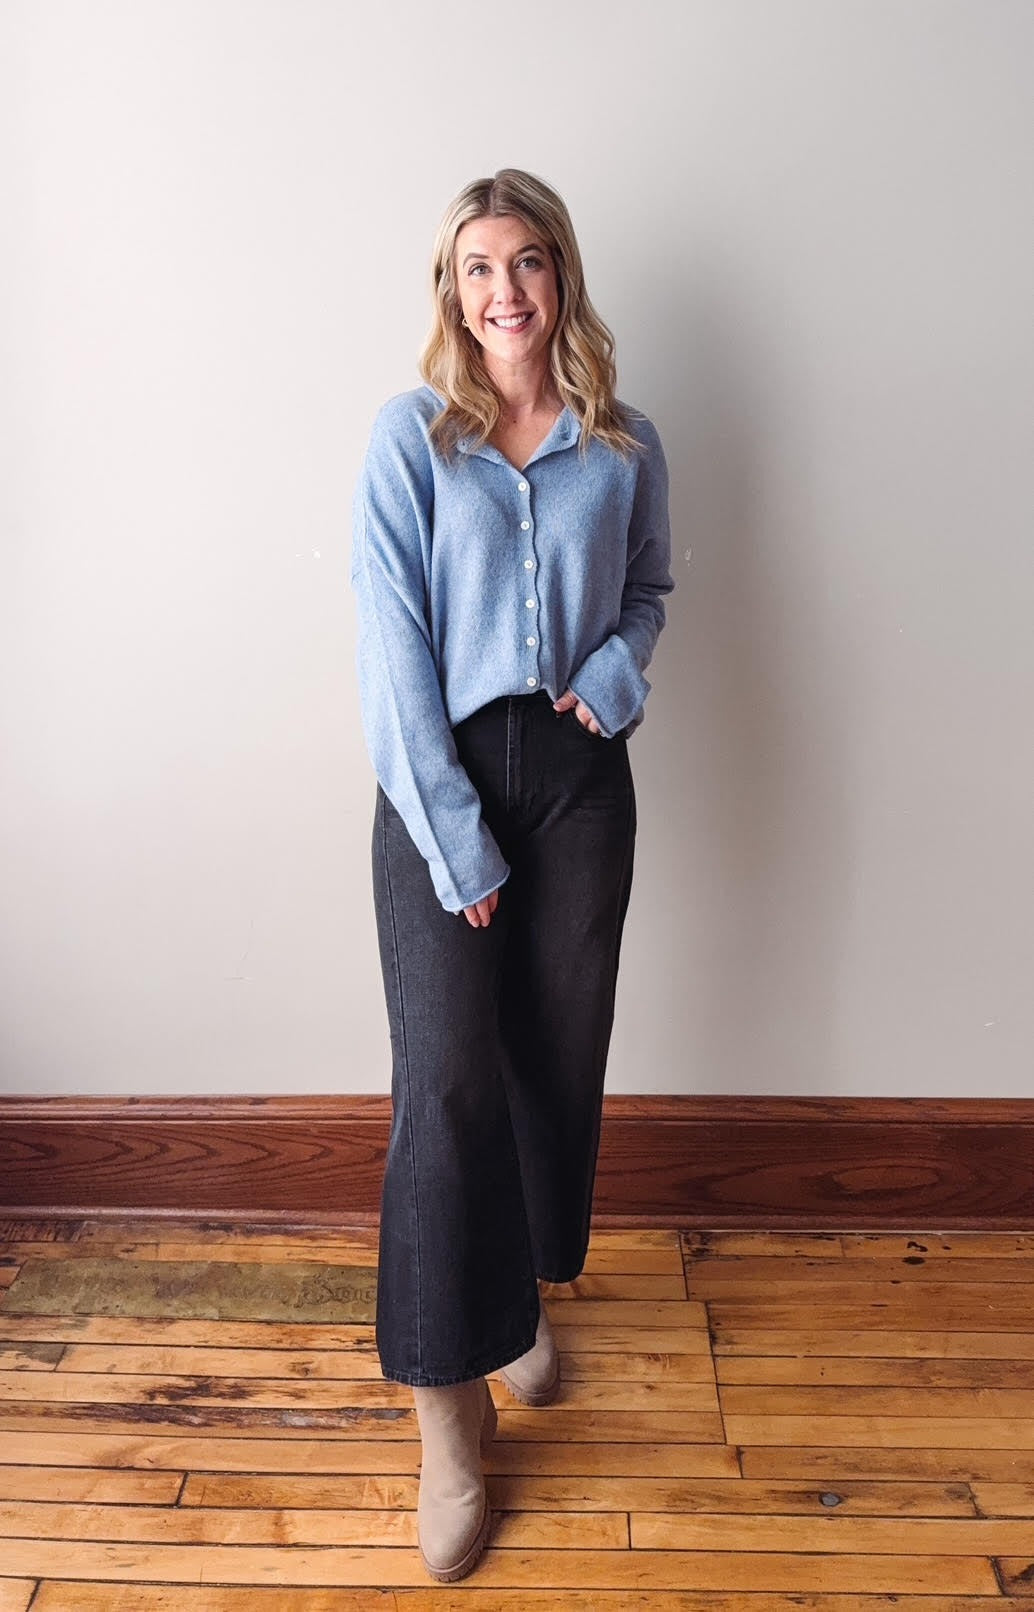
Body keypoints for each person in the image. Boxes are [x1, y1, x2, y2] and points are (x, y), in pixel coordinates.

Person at [350, 167, 674, 1583]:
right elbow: (390, 654)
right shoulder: (410, 441)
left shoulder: (623, 441)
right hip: (446, 784)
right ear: (451, 290)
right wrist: (457, 837)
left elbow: (652, 591)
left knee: (552, 1055)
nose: (504, 291)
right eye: (478, 268)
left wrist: (608, 680)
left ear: (561, 279)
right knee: (446, 1079)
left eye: (528, 262)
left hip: (582, 781)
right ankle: (447, 1412)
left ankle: (517, 1302)